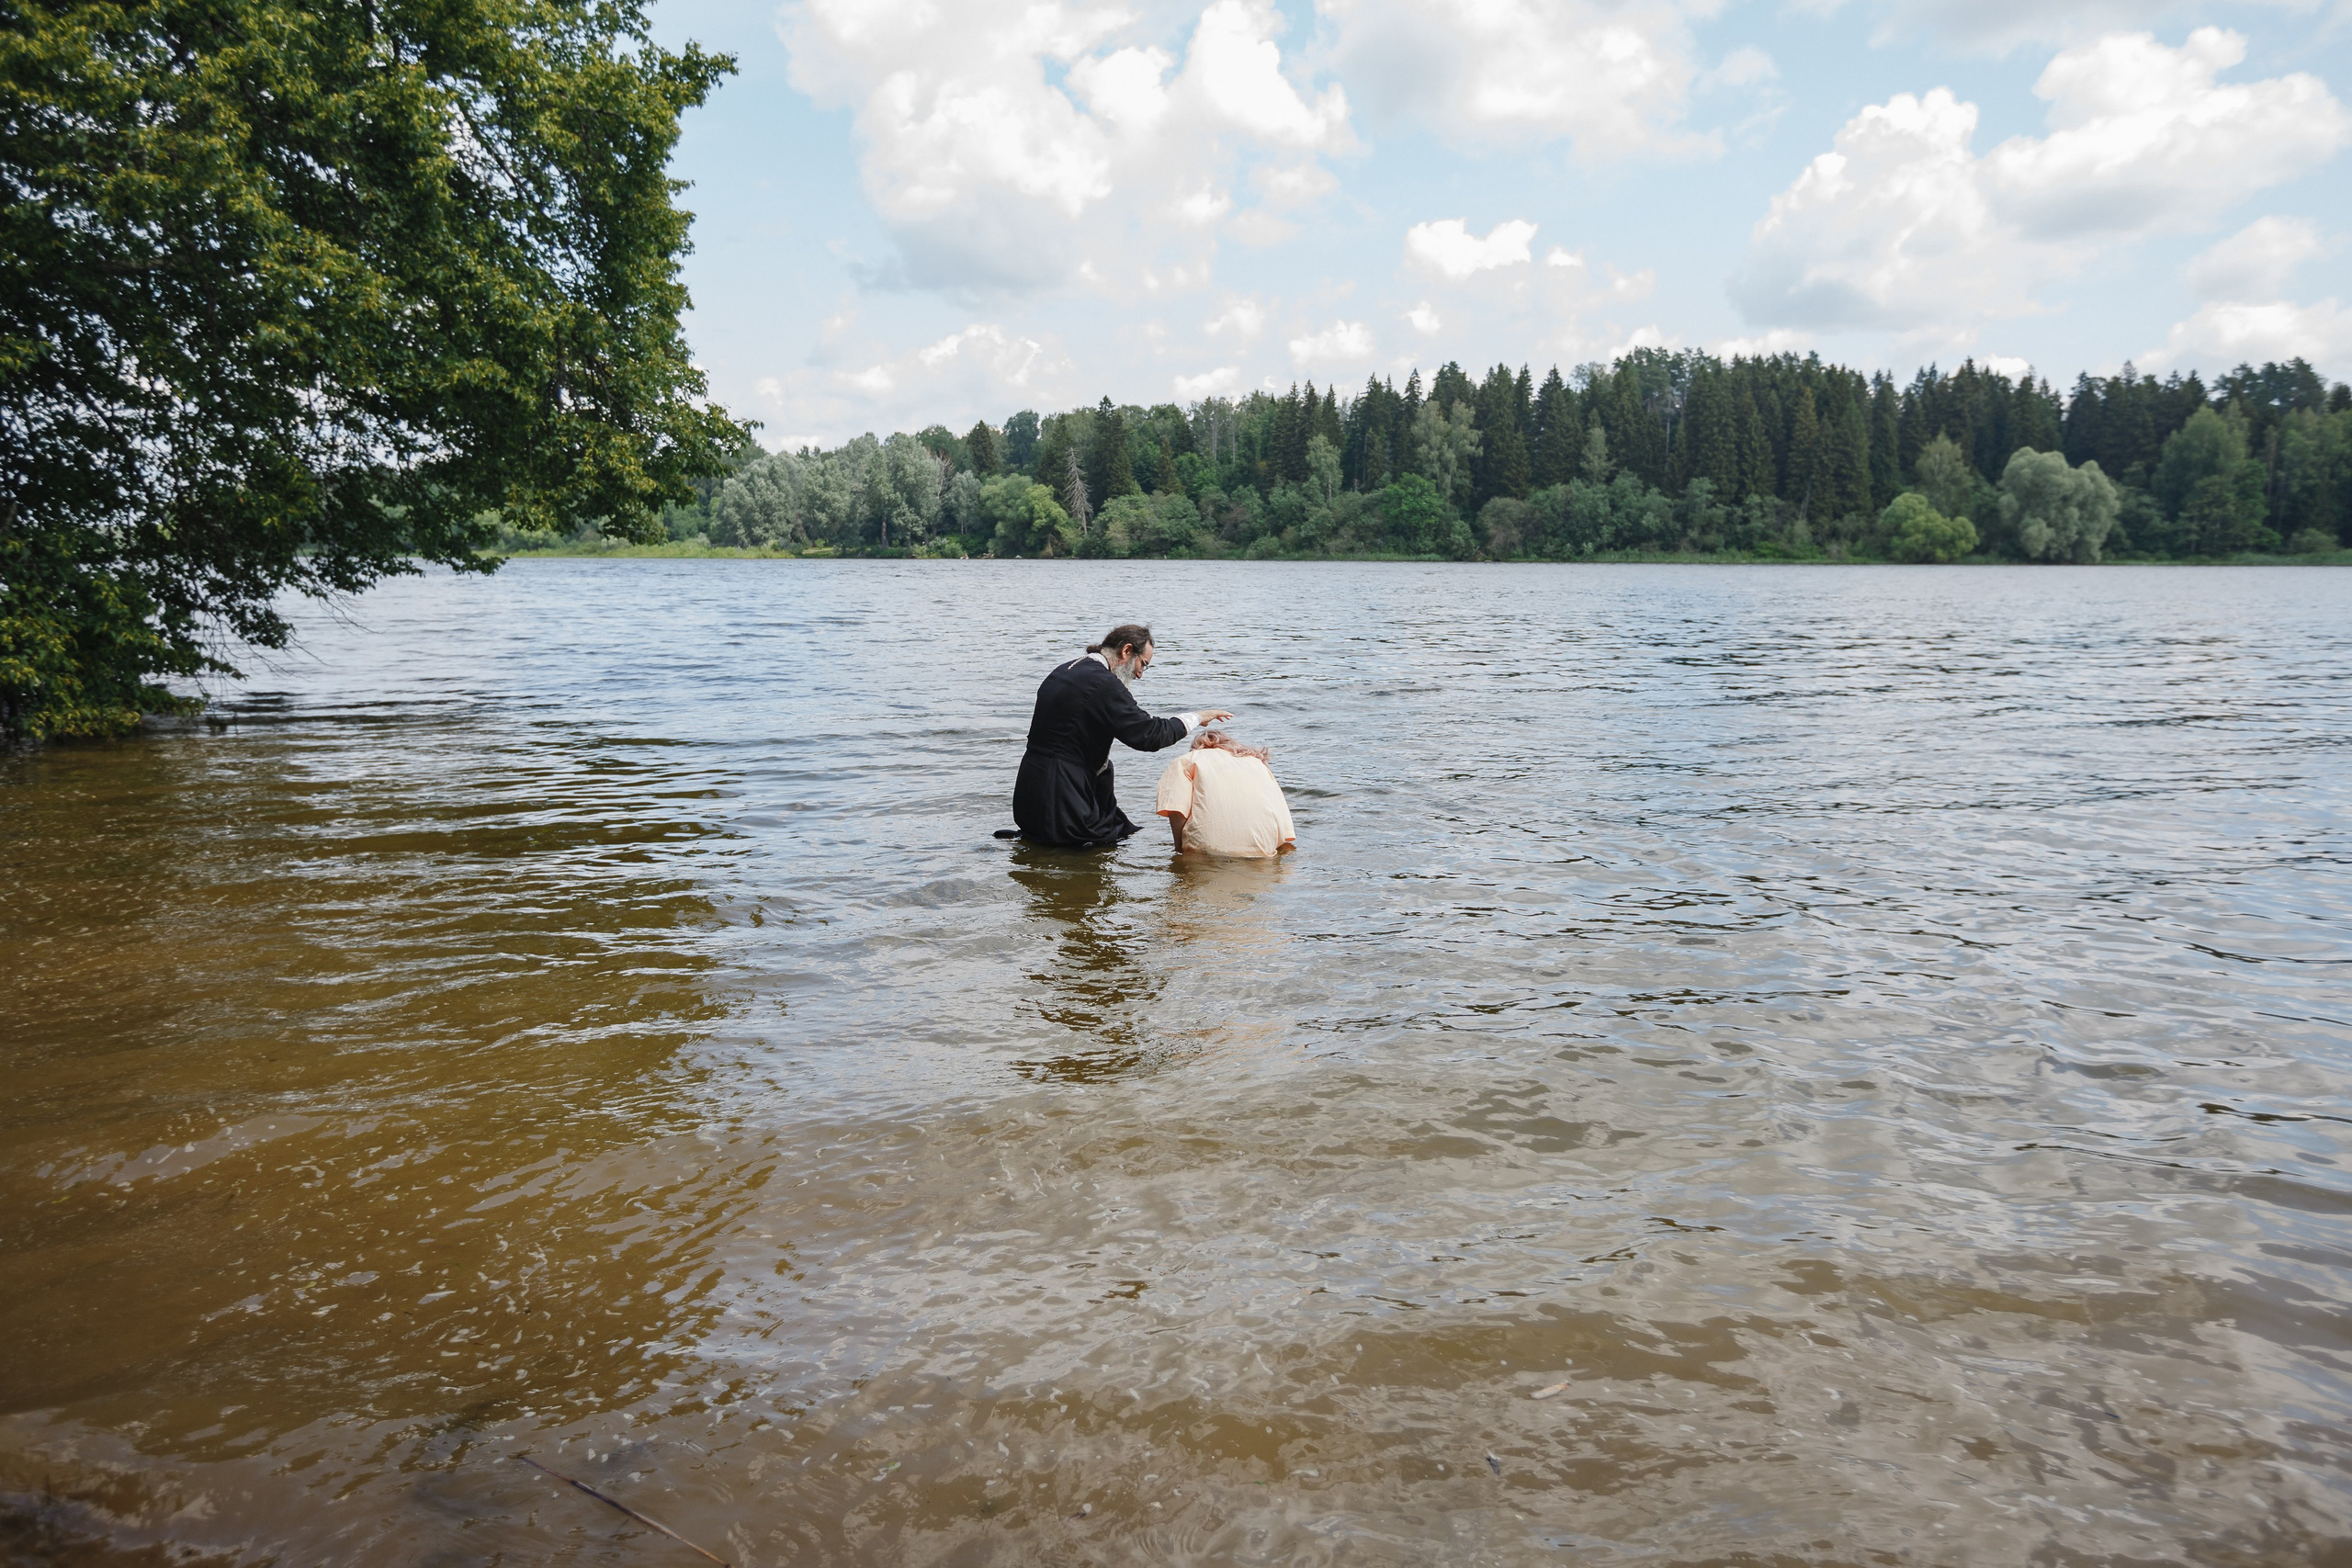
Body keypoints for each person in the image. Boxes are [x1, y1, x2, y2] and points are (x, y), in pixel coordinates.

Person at [1007, 624, 1233, 848]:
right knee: (1102, 847)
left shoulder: (1065, 670)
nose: (1140, 674)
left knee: (1120, 830)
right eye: (1143, 664)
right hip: (1062, 800)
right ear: (1126, 651)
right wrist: (1196, 717)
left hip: (1029, 794)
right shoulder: (1104, 684)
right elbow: (1148, 734)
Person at [1156, 729, 1295, 857]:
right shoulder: (1257, 763)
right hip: (1263, 847)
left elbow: (1177, 809)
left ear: (1196, 748)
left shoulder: (1186, 761)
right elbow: (1284, 825)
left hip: (1207, 849)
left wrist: (1180, 850)